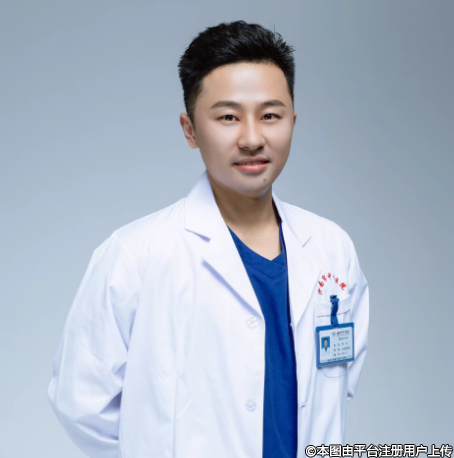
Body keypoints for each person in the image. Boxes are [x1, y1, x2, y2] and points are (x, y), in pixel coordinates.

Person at [47, 20, 369, 458]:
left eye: (270, 115)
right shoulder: (136, 255)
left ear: (293, 121)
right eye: (228, 117)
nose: (252, 138)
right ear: (190, 129)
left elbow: (338, 381)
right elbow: (81, 404)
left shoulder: (332, 247)